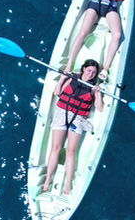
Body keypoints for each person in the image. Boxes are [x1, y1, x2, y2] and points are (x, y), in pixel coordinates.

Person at [42, 60, 104, 195]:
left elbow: (99, 108)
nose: (90, 74)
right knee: (56, 147)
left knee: (71, 151)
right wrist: (62, 79)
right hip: (62, 113)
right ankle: (48, 179)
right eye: (88, 70)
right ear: (83, 69)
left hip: (78, 119)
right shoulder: (72, 79)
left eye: (93, 72)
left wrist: (98, 93)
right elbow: (57, 93)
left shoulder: (94, 87)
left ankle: (68, 182)